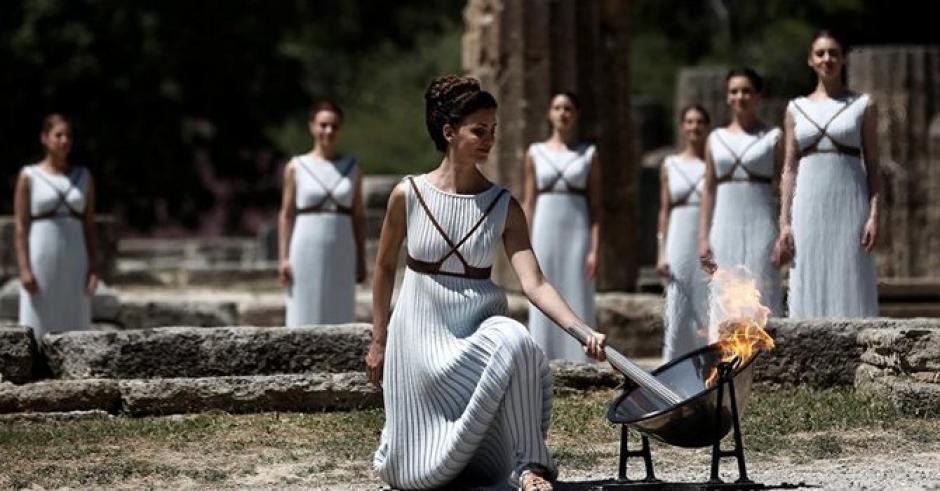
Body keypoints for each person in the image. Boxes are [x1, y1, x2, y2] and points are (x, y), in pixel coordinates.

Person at [367, 75, 607, 491]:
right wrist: (378, 339)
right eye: (479, 130)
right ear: (449, 132)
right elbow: (385, 267)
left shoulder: (504, 205)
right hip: (418, 338)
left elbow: (535, 283)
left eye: (493, 131)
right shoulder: (407, 195)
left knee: (519, 342)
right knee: (413, 476)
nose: (489, 140)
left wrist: (582, 330)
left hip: (478, 329)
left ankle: (530, 465)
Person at [774, 30, 880, 317]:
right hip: (807, 202)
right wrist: (784, 222)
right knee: (808, 268)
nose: (827, 59)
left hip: (849, 201)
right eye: (820, 53)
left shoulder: (862, 105)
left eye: (833, 53)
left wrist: (873, 215)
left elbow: (872, 163)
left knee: (850, 271)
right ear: (811, 60)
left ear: (843, 59)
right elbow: (789, 167)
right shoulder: (796, 108)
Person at [522, 92, 602, 362]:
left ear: (576, 114)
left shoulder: (588, 154)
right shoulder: (535, 152)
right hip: (544, 225)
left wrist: (594, 248)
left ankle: (581, 358)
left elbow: (596, 206)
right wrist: (523, 242)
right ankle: (542, 356)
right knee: (543, 285)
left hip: (577, 227)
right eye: (557, 107)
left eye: (568, 108)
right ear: (550, 113)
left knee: (576, 287)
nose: (562, 113)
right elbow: (529, 201)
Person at [699, 68, 784, 317]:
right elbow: (709, 190)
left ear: (758, 96)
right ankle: (723, 354)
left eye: (747, 91)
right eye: (734, 91)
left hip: (762, 225)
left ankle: (767, 353)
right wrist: (703, 238)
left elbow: (785, 184)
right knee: (724, 292)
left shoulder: (773, 136)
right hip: (724, 226)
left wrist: (784, 229)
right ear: (727, 97)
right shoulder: (716, 138)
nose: (740, 96)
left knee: (761, 289)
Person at [277, 101, 367, 326]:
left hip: (342, 246)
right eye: (323, 125)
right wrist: (283, 258)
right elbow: (286, 214)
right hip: (305, 246)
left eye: (334, 126)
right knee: (302, 309)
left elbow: (358, 216)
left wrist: (361, 259)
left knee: (340, 310)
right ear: (312, 126)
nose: (328, 131)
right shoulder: (296, 166)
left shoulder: (352, 167)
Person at [15, 114, 98, 340]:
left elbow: (89, 226)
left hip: (76, 256)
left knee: (75, 313)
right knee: (38, 314)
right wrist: (24, 268)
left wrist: (93, 267)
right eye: (58, 135)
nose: (64, 140)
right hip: (41, 255)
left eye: (68, 135)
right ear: (45, 138)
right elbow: (21, 226)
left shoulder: (84, 176)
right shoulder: (29, 175)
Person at [658, 105, 711, 360]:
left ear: (706, 127)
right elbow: (664, 210)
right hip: (678, 236)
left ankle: (707, 366)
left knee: (706, 303)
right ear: (682, 127)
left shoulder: (713, 165)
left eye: (699, 122)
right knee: (677, 303)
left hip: (705, 238)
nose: (694, 127)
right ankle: (672, 363)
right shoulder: (670, 164)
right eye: (689, 122)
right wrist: (660, 251)